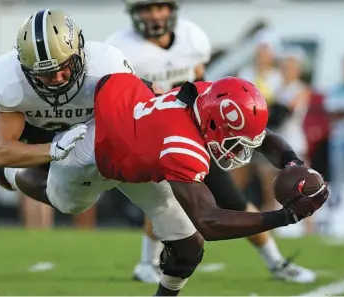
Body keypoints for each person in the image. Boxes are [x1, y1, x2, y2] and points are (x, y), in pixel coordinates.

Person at [2, 73, 328, 296]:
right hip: (96, 153)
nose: (241, 149)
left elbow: (262, 136)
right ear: (212, 123)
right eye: (235, 141)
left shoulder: (209, 97)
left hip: (141, 150)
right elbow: (211, 221)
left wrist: (293, 163)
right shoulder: (182, 146)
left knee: (188, 244)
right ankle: (8, 172)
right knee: (67, 202)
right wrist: (285, 217)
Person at [106, 0, 316, 284]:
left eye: (160, 7)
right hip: (149, 135)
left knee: (234, 201)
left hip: (194, 131)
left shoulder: (191, 38)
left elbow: (202, 83)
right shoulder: (119, 47)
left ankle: (275, 262)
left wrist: (293, 163)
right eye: (147, 8)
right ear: (134, 13)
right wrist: (286, 215)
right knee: (161, 199)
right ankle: (148, 263)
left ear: (171, 10)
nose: (154, 15)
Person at [0, 8, 137, 277]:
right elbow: (1, 151)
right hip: (30, 127)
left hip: (86, 137)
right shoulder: (9, 81)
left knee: (77, 197)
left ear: (78, 52)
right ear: (25, 67)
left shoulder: (106, 67)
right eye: (45, 73)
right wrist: (52, 149)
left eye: (63, 67)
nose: (56, 79)